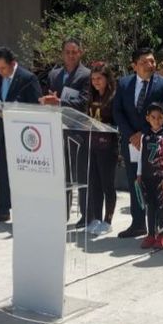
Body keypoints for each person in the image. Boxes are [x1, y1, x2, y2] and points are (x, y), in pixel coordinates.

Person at [113, 47, 163, 238]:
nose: (150, 65)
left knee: (155, 184)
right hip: (131, 143)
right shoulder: (124, 83)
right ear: (134, 66)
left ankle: (157, 228)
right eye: (144, 62)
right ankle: (138, 223)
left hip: (153, 144)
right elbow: (118, 111)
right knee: (135, 182)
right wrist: (131, 135)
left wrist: (144, 133)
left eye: (152, 61)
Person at [0, 47, 43, 223]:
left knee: (24, 174)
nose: (0, 72)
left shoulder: (27, 78)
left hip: (23, 134)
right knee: (2, 172)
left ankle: (28, 212)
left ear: (13, 63)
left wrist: (15, 109)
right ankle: (2, 210)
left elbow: (37, 106)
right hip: (2, 131)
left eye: (3, 68)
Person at [42, 38, 92, 227]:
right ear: (63, 54)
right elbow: (50, 96)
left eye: (74, 52)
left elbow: (84, 102)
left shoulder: (87, 75)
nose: (71, 55)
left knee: (81, 175)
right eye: (68, 52)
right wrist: (47, 100)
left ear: (80, 53)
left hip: (77, 131)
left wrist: (60, 102)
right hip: (56, 129)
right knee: (62, 175)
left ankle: (86, 215)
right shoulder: (54, 74)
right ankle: (62, 214)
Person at [85, 63, 119, 236]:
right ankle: (96, 219)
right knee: (95, 184)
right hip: (93, 145)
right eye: (93, 79)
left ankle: (108, 221)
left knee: (107, 185)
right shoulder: (91, 96)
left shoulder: (114, 97)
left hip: (108, 147)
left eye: (99, 78)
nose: (96, 82)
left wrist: (107, 126)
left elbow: (117, 122)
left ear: (107, 78)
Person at [137, 102, 163, 250]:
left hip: (161, 178)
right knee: (150, 207)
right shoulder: (144, 137)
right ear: (147, 118)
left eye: (160, 117)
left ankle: (161, 236)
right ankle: (151, 235)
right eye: (153, 117)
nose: (156, 120)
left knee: (162, 207)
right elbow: (140, 157)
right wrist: (139, 174)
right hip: (147, 177)